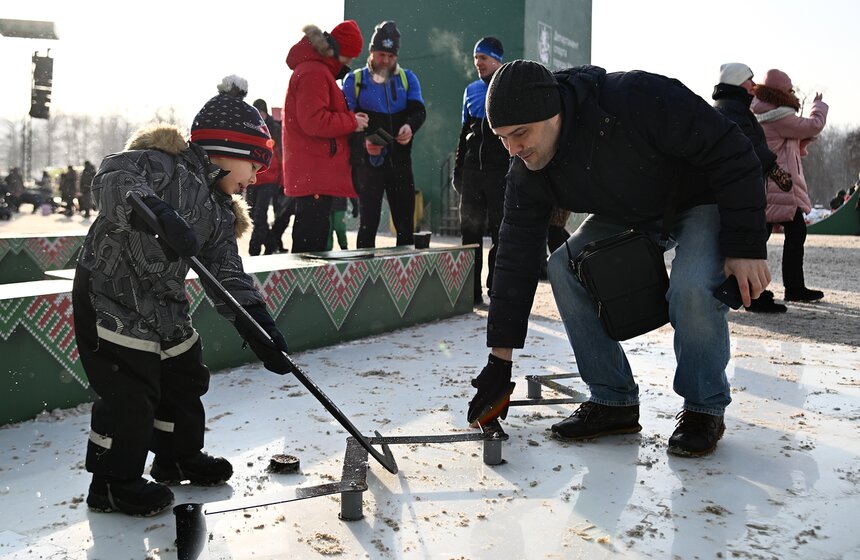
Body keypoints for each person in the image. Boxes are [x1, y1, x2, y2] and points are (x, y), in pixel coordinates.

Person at [466, 61, 771, 458]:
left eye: (520, 134)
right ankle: (613, 400)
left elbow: (733, 149)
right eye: (503, 138)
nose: (514, 149)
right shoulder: (527, 167)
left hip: (697, 198)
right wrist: (499, 360)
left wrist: (746, 247)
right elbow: (515, 255)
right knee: (563, 266)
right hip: (627, 212)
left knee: (693, 287)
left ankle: (702, 408)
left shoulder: (634, 97)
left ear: (554, 112)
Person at [73, 93, 290, 516]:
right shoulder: (160, 164)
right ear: (230, 150)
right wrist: (154, 211)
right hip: (110, 293)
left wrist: (257, 324)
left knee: (184, 376)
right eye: (256, 164)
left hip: (163, 303)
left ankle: (176, 457)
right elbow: (113, 178)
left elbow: (226, 273)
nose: (257, 177)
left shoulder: (221, 213)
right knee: (131, 392)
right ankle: (112, 483)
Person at [282, 21, 368, 253]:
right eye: (350, 56)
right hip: (315, 173)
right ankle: (303, 289)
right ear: (339, 52)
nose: (350, 62)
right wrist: (352, 122)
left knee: (311, 240)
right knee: (310, 246)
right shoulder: (314, 72)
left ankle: (305, 288)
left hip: (315, 173)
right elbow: (314, 121)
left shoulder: (315, 70)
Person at [712, 63, 791, 314]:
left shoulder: (732, 109)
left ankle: (750, 293)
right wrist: (773, 167)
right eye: (750, 81)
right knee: (748, 248)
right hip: (742, 192)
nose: (753, 86)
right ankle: (751, 296)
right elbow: (747, 147)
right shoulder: (733, 112)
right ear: (739, 83)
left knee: (748, 247)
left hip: (742, 189)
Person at [342, 20, 426, 248]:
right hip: (367, 164)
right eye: (381, 55)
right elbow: (344, 121)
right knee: (368, 223)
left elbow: (418, 111)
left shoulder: (408, 78)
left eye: (391, 56)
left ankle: (406, 278)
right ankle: (362, 277)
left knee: (405, 223)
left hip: (400, 161)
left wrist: (410, 126)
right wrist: (364, 141)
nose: (386, 61)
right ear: (371, 52)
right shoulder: (354, 80)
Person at [752, 69, 828, 302]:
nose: (792, 92)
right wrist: (819, 106)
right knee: (794, 234)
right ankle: (793, 288)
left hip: (768, 183)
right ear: (781, 91)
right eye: (789, 88)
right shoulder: (780, 115)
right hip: (781, 185)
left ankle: (755, 288)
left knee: (759, 237)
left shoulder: (764, 113)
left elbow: (791, 141)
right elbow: (814, 125)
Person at [452, 37, 509, 307]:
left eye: (483, 58)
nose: (478, 63)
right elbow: (464, 134)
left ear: (497, 59)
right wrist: (458, 171)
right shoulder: (470, 90)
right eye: (475, 58)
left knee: (501, 233)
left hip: (500, 174)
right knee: (470, 234)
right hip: (473, 174)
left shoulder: (509, 87)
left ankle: (496, 291)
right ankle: (469, 293)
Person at [247, 98, 283, 255]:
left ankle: (254, 248)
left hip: (270, 178)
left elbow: (281, 155)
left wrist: (282, 179)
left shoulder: (274, 129)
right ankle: (271, 243)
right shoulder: (249, 128)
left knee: (259, 214)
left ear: (264, 112)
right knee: (252, 215)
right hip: (253, 179)